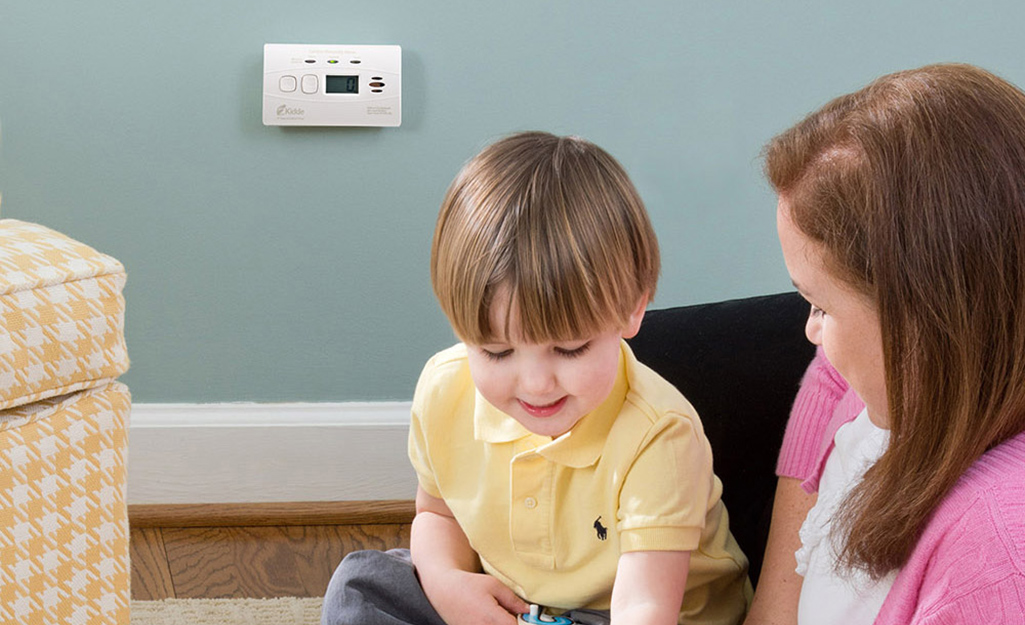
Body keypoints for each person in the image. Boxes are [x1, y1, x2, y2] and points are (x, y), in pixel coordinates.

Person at [320, 131, 751, 625]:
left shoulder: (660, 435)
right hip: (517, 604)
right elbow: (437, 515)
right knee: (359, 586)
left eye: (569, 349)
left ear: (632, 310)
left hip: (632, 613)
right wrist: (448, 586)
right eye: (497, 352)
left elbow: (645, 607)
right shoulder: (444, 389)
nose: (536, 384)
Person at [748, 63, 1025, 625]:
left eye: (822, 305)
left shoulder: (996, 549)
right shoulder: (865, 401)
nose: (811, 330)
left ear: (922, 319)